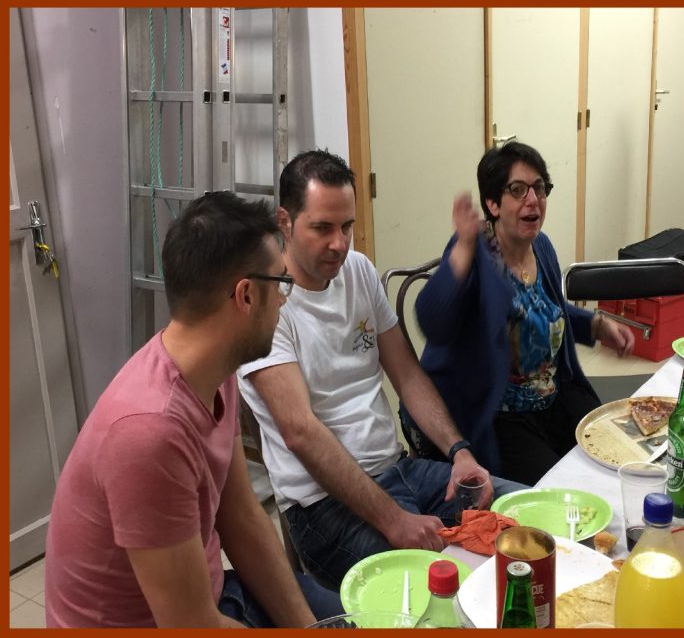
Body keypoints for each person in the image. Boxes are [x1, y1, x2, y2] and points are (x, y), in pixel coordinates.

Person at [45, 192, 343, 628]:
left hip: (209, 600)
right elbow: (192, 627)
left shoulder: (216, 368)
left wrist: (306, 627)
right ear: (245, 296)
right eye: (280, 283)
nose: (284, 300)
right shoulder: (149, 433)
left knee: (351, 619)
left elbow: (240, 516)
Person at [238, 150, 524, 590]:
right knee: (440, 590)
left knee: (524, 516)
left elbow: (407, 374)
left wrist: (459, 451)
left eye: (347, 226)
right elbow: (300, 431)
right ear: (285, 221)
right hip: (323, 506)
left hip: (398, 469)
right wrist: (394, 520)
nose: (339, 243)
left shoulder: (358, 270)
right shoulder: (267, 303)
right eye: (322, 228)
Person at [402, 141, 635, 485]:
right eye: (517, 190)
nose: (533, 199)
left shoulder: (541, 246)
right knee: (561, 489)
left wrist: (596, 326)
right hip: (496, 414)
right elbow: (431, 321)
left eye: (539, 188)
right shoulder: (477, 252)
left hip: (551, 398)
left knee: (614, 456)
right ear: (492, 204)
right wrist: (464, 247)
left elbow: (544, 311)